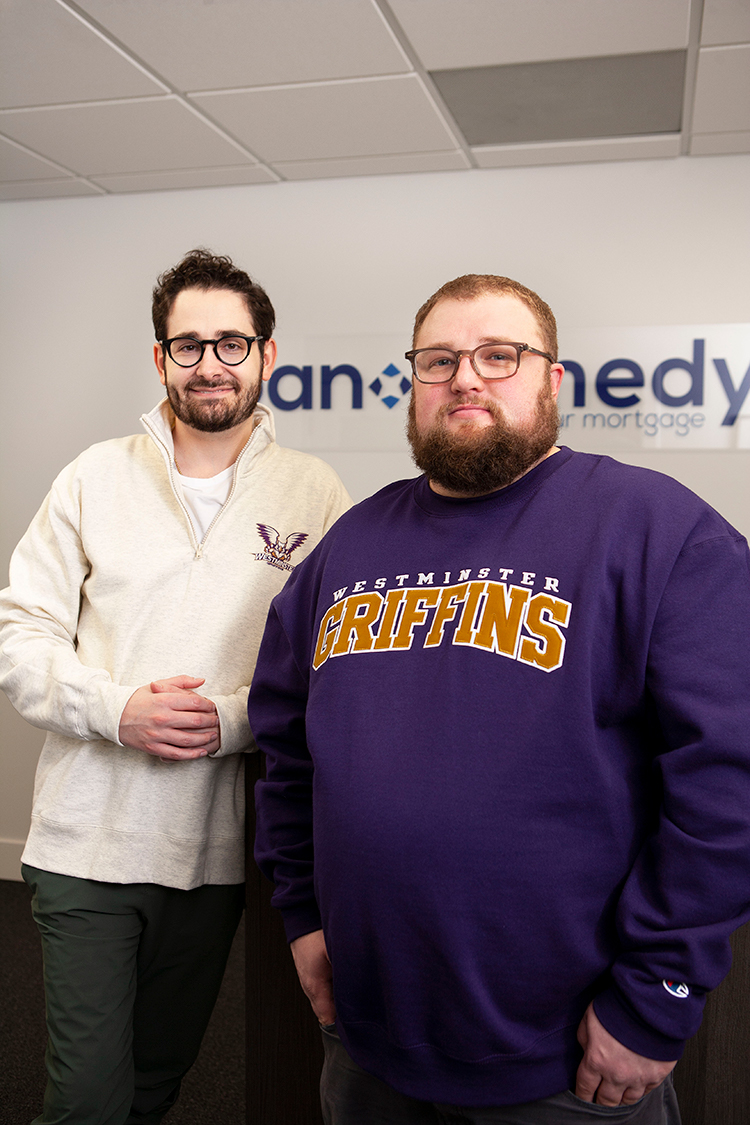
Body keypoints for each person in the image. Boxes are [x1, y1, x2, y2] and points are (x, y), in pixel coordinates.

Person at [249, 274, 750, 1124]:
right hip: (368, 1035)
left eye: (498, 355)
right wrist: (302, 914)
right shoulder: (350, 546)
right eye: (439, 360)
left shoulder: (659, 529)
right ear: (413, 384)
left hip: (569, 1056)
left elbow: (728, 783)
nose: (466, 378)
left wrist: (657, 994)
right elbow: (287, 750)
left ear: (552, 380)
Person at [0, 248, 350, 1125]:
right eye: (187, 345)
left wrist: (230, 723)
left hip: (218, 854)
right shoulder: (92, 476)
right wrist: (119, 710)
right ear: (160, 359)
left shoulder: (316, 491)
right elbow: (19, 638)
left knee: (157, 1083)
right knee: (84, 1099)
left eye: (232, 343)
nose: (210, 364)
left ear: (267, 355)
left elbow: (331, 663)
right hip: (87, 844)